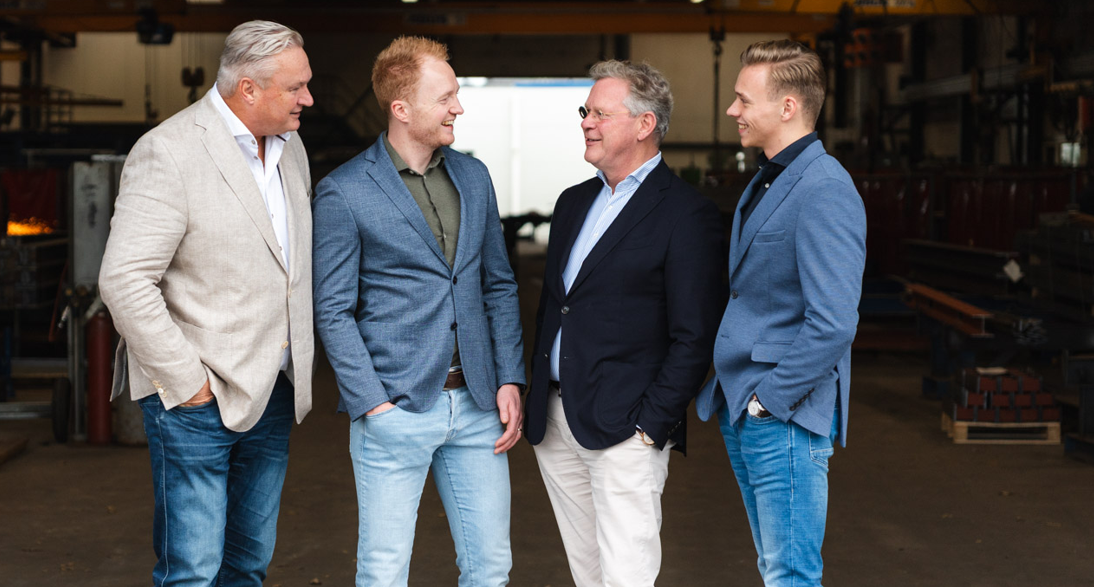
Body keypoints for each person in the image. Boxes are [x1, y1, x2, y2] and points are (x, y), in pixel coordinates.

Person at [98, 20, 315, 586]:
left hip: (274, 388)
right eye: (295, 87)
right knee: (192, 571)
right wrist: (189, 383)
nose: (308, 99)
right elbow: (124, 279)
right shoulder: (168, 151)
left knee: (248, 564)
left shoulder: (291, 149)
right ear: (249, 89)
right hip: (198, 398)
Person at [312, 36, 525, 587]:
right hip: (395, 407)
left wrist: (509, 377)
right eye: (445, 97)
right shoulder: (344, 191)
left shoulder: (473, 177)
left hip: (478, 405)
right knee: (384, 572)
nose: (459, 107)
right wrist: (372, 404)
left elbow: (498, 284)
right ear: (401, 108)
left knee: (491, 569)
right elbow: (332, 310)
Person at [523, 60, 725, 587]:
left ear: (644, 124)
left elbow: (694, 335)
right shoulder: (573, 202)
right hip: (556, 420)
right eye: (585, 111)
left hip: (625, 429)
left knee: (626, 575)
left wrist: (650, 427)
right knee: (587, 572)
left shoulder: (686, 214)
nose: (586, 122)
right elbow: (555, 308)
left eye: (600, 113)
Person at [696, 39, 866, 587]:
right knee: (775, 566)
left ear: (788, 107)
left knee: (791, 573)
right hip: (746, 404)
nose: (732, 110)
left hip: (783, 413)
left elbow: (834, 321)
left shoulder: (824, 188)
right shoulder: (770, 177)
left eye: (744, 100)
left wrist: (769, 401)